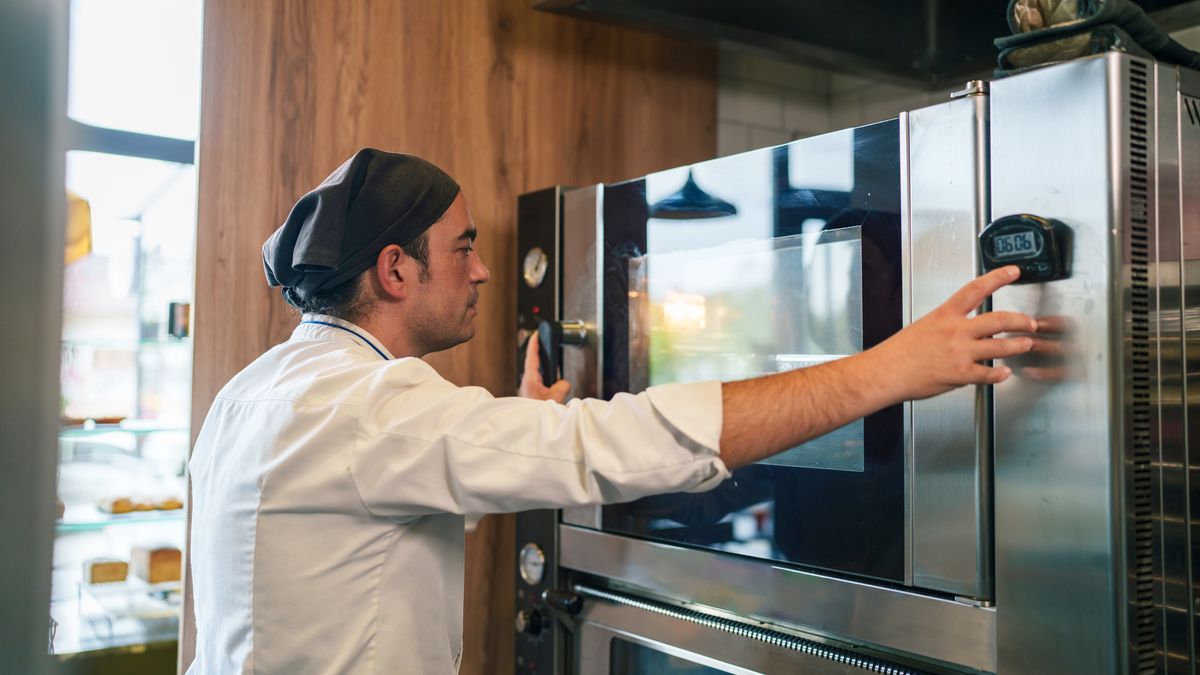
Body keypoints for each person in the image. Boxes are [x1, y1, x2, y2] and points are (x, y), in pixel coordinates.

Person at [186, 148, 1036, 674]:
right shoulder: (374, 402)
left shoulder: (255, 392)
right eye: (465, 246)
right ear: (396, 270)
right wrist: (888, 367)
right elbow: (611, 443)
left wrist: (517, 426)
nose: (483, 271)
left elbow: (363, 530)